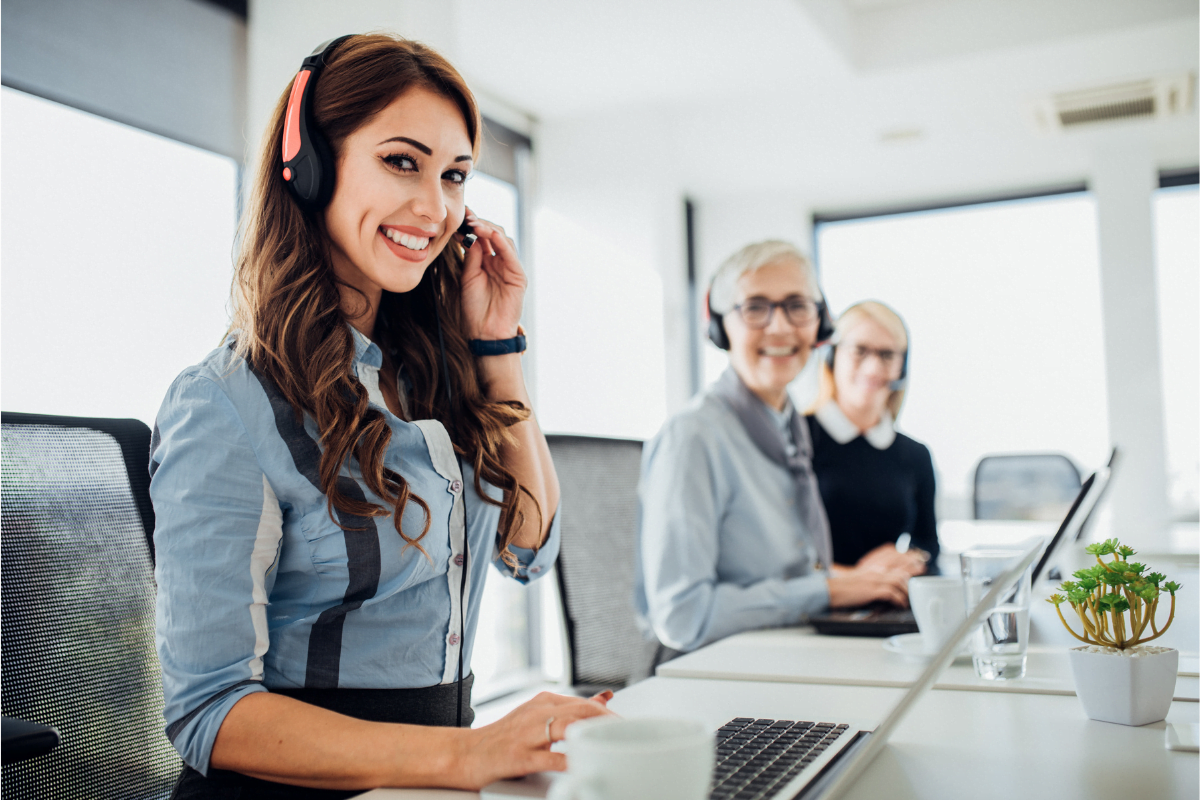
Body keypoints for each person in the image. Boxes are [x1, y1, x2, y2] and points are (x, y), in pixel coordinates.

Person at [150, 34, 609, 799]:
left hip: (424, 786)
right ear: (310, 166)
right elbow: (209, 713)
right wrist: (469, 755)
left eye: (455, 176)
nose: (435, 208)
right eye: (403, 162)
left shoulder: (429, 374)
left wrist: (498, 349)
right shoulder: (225, 401)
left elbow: (530, 548)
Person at [635, 241, 912, 658]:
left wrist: (853, 584)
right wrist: (825, 592)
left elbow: (788, 573)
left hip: (782, 653)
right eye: (755, 307)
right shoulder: (694, 437)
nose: (780, 327)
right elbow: (682, 616)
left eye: (797, 306)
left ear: (819, 325)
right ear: (719, 325)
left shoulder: (790, 427)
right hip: (714, 673)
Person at [806, 301, 939, 576]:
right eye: (859, 351)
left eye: (887, 355)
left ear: (901, 368)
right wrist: (855, 580)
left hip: (884, 603)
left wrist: (909, 559)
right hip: (813, 601)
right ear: (831, 357)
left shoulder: (915, 455)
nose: (873, 368)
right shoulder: (796, 437)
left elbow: (928, 545)